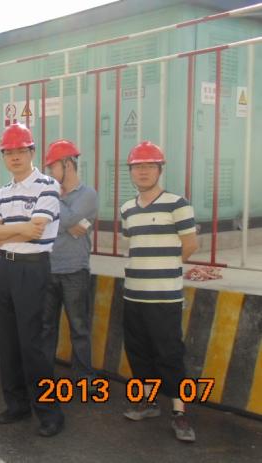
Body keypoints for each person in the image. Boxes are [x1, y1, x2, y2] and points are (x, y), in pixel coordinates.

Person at [0, 123, 65, 437]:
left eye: (21, 150)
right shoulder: (3, 192)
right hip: (4, 269)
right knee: (7, 342)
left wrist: (5, 233)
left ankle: (49, 412)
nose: (15, 157)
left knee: (34, 344)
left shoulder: (47, 185)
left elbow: (36, 232)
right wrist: (16, 230)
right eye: (9, 152)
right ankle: (17, 404)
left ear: (32, 152)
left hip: (33, 269)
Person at [119, 141, 198, 443]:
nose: (143, 171)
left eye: (149, 166)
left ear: (160, 170)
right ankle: (149, 403)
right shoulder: (127, 209)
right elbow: (131, 244)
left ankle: (180, 413)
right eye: (138, 167)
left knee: (170, 354)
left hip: (165, 296)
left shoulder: (178, 204)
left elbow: (190, 245)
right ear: (131, 171)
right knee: (139, 352)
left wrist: (166, 268)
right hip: (133, 295)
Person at [40, 140, 98, 381]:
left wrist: (53, 205)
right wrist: (67, 222)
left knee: (79, 327)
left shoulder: (88, 194)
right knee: (46, 327)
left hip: (75, 270)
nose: (49, 173)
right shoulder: (51, 192)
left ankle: (84, 378)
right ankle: (44, 376)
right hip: (48, 267)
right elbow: (64, 224)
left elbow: (66, 220)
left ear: (67, 164)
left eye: (52, 167)